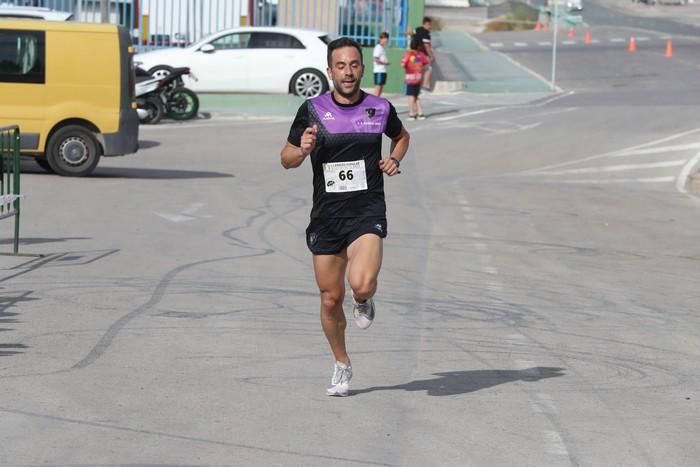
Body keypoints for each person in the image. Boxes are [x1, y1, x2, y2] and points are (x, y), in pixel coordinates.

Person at [280, 37, 410, 397]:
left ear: (362, 69)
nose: (348, 72)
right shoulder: (312, 110)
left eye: (354, 65)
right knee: (329, 299)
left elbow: (401, 137)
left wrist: (394, 159)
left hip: (367, 210)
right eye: (341, 66)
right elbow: (286, 158)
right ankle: (341, 362)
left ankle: (365, 299)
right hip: (326, 217)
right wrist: (302, 150)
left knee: (361, 284)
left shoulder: (380, 108)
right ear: (330, 71)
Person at [401, 36, 429, 120]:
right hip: (418, 77)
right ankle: (420, 113)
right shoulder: (421, 54)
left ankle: (411, 114)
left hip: (410, 78)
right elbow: (426, 64)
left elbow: (402, 64)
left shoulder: (408, 54)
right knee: (416, 95)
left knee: (411, 96)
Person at [413, 16, 434, 90]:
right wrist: (431, 56)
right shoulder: (426, 34)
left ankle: (416, 84)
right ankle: (424, 85)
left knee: (417, 68)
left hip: (414, 53)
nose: (429, 26)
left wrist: (404, 33)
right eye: (428, 25)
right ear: (424, 24)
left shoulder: (417, 29)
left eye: (430, 25)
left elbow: (411, 32)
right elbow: (427, 46)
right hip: (423, 54)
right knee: (429, 68)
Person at [372, 32, 390, 96]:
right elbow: (375, 59)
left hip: (383, 70)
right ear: (380, 39)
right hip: (379, 71)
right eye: (384, 38)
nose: (386, 40)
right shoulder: (378, 47)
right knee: (378, 88)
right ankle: (373, 103)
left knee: (381, 88)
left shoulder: (382, 48)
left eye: (387, 38)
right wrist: (385, 63)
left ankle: (377, 102)